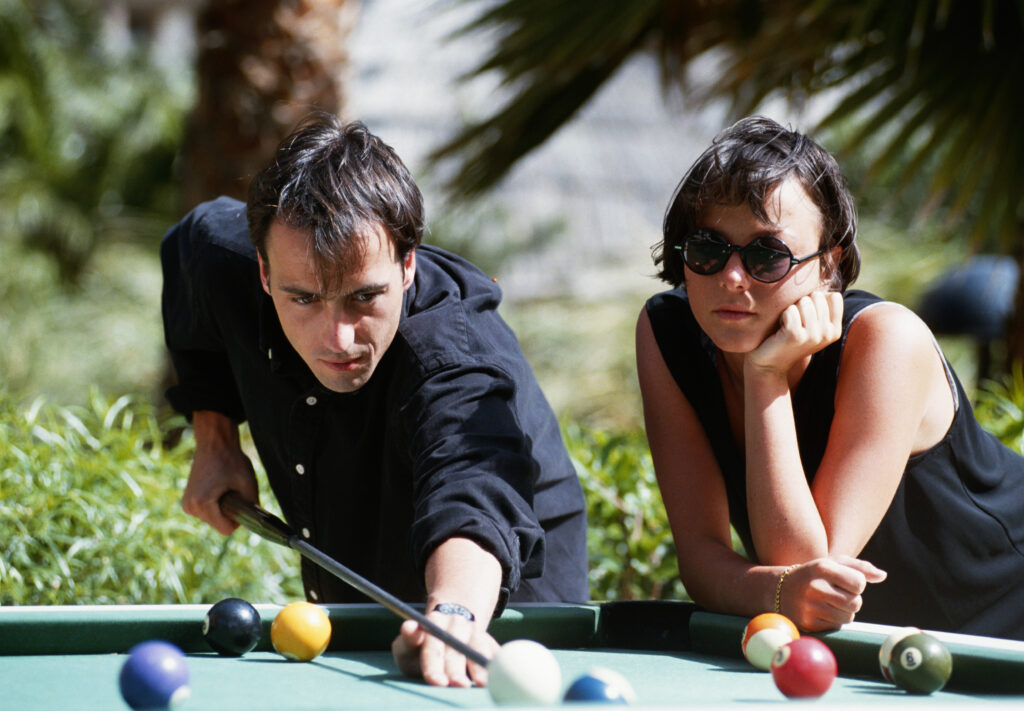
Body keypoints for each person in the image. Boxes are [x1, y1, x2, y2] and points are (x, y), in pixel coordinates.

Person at [161, 114, 588, 685]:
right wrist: (214, 438)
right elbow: (192, 245)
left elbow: (473, 484)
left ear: (408, 263)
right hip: (366, 566)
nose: (337, 339)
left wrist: (456, 610)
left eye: (364, 297)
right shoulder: (222, 258)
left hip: (505, 589)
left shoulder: (452, 355)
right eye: (304, 299)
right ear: (263, 272)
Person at [636, 116, 1024, 640]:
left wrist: (765, 374)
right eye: (707, 248)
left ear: (827, 263)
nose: (731, 277)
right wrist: (776, 592)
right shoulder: (667, 333)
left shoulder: (887, 340)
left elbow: (802, 562)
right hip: (890, 650)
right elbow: (710, 560)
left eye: (766, 254)